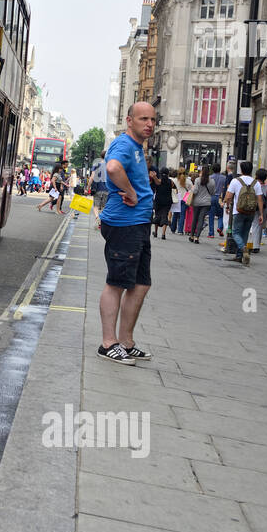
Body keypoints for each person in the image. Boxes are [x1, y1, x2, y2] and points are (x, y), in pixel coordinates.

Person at [97, 102, 157, 364]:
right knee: (117, 283)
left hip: (138, 223)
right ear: (128, 120)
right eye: (143, 118)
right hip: (124, 223)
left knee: (141, 284)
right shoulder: (123, 144)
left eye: (153, 119)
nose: (149, 124)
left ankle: (126, 342)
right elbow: (111, 168)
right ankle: (108, 343)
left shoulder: (136, 147)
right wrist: (131, 193)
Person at [222, 161, 263, 265]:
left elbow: (228, 196)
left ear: (241, 170)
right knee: (244, 233)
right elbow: (260, 200)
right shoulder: (256, 183)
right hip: (251, 211)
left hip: (238, 210)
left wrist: (227, 206)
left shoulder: (235, 181)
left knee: (235, 233)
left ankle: (242, 248)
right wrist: (261, 214)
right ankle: (240, 256)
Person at [188, 164, 213, 243]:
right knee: (201, 219)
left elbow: (195, 191)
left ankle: (192, 235)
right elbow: (212, 192)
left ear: (201, 171)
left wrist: (192, 189)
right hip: (206, 202)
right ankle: (197, 237)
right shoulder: (212, 181)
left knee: (195, 218)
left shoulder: (198, 180)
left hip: (197, 202)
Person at [208, 163, 229, 238]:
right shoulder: (224, 178)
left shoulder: (210, 177)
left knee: (211, 215)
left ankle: (211, 233)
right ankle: (220, 227)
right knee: (221, 215)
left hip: (212, 197)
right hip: (220, 197)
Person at [151, 167, 173, 240]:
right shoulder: (171, 181)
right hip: (167, 201)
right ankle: (163, 234)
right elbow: (174, 188)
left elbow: (155, 185)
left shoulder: (158, 180)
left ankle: (156, 232)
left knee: (157, 215)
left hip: (158, 201)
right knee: (165, 216)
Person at [90, 157, 109, 229]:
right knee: (103, 207)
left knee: (96, 206)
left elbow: (92, 177)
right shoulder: (110, 165)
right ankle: (101, 221)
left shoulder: (96, 165)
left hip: (97, 189)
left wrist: (87, 188)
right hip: (107, 189)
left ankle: (98, 218)